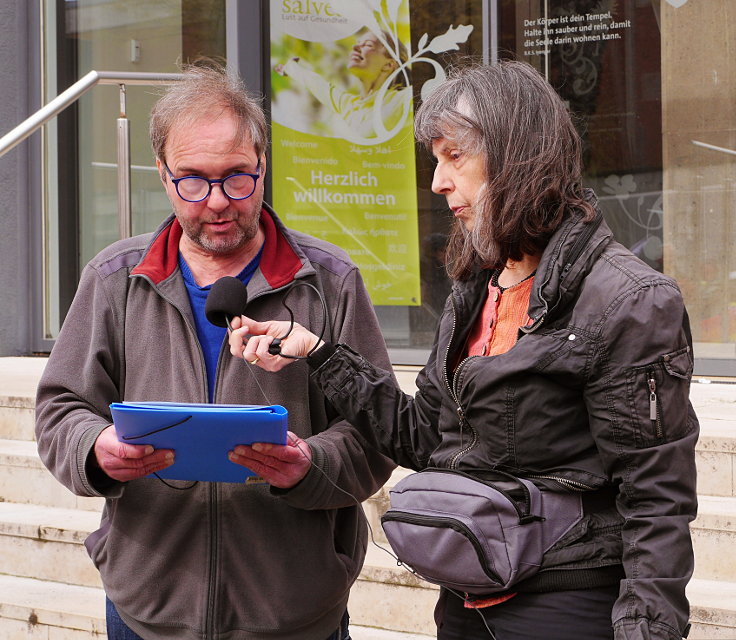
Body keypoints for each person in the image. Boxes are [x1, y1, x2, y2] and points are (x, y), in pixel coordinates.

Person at [227, 61, 699, 640]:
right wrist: (320, 354)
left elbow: (654, 500)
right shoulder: (479, 285)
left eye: (455, 157)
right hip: (466, 599)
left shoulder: (628, 300)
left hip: (565, 606)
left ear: (517, 155)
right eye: (435, 160)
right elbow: (424, 437)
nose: (437, 183)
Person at [35, 61, 396, 640]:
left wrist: (311, 463)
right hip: (146, 609)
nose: (218, 201)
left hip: (294, 614)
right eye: (193, 180)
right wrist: (95, 447)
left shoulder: (329, 281)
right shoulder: (114, 278)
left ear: (262, 166)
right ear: (161, 173)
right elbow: (59, 411)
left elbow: (378, 432)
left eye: (237, 177)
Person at [274, 30, 410, 142]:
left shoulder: (404, 99)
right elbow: (319, 86)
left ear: (389, 65)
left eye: (368, 45)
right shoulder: (349, 105)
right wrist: (291, 68)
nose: (355, 47)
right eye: (358, 43)